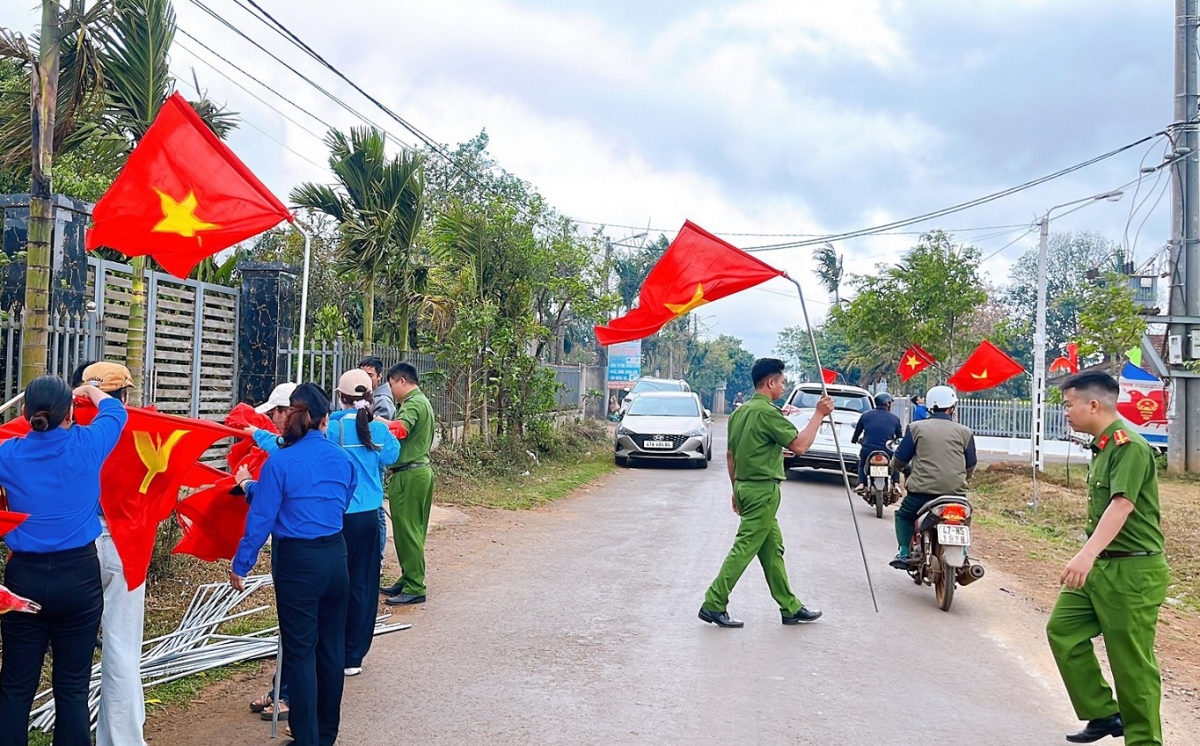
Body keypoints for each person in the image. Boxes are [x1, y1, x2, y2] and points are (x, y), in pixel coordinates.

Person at [0, 377, 126, 746]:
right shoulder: (88, 444)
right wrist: (90, 392)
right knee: (72, 688)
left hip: (25, 579)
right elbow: (115, 411)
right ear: (71, 411)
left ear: (25, 414)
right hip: (80, 579)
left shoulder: (9, 454)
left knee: (16, 687)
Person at [1046, 371, 1169, 746]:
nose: (1065, 412)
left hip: (1133, 570)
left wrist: (1085, 555)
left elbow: (1122, 505)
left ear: (1093, 405)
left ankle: (1145, 742)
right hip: (1103, 564)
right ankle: (1103, 712)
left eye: (1069, 405)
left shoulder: (1128, 444)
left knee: (1132, 665)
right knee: (1063, 630)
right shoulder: (1102, 445)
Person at [232, 384, 356, 746]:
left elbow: (262, 517)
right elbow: (342, 501)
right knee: (331, 649)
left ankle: (306, 738)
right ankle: (327, 735)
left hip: (297, 563)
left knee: (300, 652)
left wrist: (242, 563)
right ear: (325, 420)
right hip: (336, 558)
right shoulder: (341, 458)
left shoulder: (281, 462)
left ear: (290, 417)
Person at [698, 358, 834, 628]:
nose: (783, 387)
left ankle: (790, 607)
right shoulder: (768, 413)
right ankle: (714, 602)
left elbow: (730, 455)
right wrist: (819, 415)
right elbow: (799, 446)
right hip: (763, 490)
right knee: (744, 547)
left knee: (772, 550)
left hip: (745, 487)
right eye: (782, 382)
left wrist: (736, 490)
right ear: (770, 382)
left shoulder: (739, 413)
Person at [77, 362, 146, 746]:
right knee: (121, 647)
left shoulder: (61, 427)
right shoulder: (138, 427)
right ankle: (122, 740)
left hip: (78, 544)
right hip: (126, 545)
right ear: (124, 396)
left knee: (74, 651)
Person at [326, 370, 399, 676]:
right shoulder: (377, 431)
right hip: (368, 518)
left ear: (339, 396)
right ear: (370, 396)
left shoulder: (328, 427)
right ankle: (353, 656)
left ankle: (329, 648)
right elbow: (391, 457)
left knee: (332, 584)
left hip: (335, 517)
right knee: (364, 584)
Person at [243, 381, 296, 721]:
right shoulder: (294, 447)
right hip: (322, 548)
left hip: (301, 552)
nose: (272, 421)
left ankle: (291, 697)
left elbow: (268, 505)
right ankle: (284, 687)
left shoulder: (292, 455)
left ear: (289, 412)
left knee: (297, 627)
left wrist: (247, 485)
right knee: (294, 626)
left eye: (275, 414)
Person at [888, 385, 976, 570]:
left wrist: (895, 467)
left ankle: (904, 552)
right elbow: (971, 464)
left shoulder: (915, 428)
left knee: (903, 516)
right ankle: (964, 554)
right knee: (964, 518)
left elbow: (901, 459)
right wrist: (964, 480)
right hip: (955, 494)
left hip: (921, 494)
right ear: (952, 407)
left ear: (929, 406)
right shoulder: (965, 432)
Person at [380, 362, 436, 606]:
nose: (391, 390)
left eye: (392, 384)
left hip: (409, 475)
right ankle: (407, 578)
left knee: (408, 531)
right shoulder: (422, 401)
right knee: (412, 530)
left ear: (402, 381)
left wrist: (379, 423)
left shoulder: (413, 404)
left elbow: (400, 429)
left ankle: (415, 585)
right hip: (419, 472)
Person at [359, 357, 395, 568]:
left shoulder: (382, 401)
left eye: (370, 375)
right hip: (362, 459)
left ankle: (378, 560)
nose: (365, 378)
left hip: (374, 460)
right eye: (362, 373)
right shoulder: (364, 397)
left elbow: (381, 435)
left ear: (379, 376)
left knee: (377, 510)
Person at [851, 392, 903, 493]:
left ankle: (861, 483)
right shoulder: (895, 419)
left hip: (868, 449)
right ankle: (896, 484)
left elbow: (857, 432)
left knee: (862, 463)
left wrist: (854, 440)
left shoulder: (865, 416)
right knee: (895, 464)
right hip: (887, 451)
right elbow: (899, 437)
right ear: (887, 404)